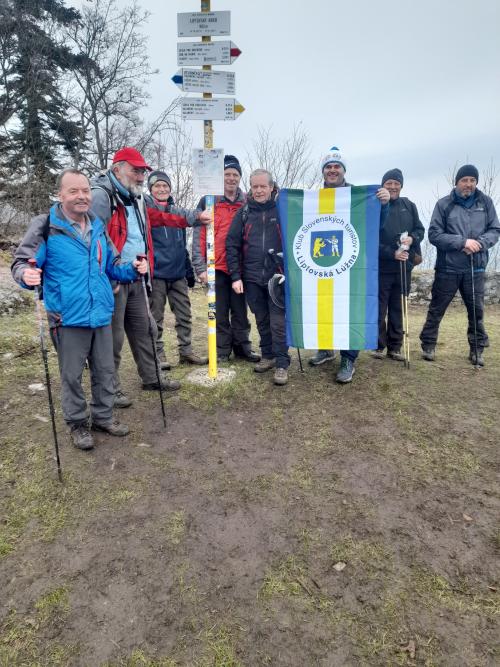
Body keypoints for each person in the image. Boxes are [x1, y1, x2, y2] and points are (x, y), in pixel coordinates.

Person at [11, 169, 148, 450]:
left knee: (105, 369)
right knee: (72, 375)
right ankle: (77, 423)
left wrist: (133, 269)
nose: (81, 196)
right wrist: (26, 274)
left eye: (85, 190)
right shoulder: (46, 225)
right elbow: (22, 262)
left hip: (100, 313)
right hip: (67, 316)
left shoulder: (97, 225)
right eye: (73, 191)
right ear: (60, 195)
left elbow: (113, 265)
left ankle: (103, 416)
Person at [90, 147, 181, 409]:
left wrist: (194, 218)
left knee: (146, 329)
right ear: (117, 168)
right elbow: (95, 241)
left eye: (142, 171)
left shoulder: (136, 197)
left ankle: (152, 377)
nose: (141, 176)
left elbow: (159, 220)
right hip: (113, 280)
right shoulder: (101, 196)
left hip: (137, 276)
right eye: (135, 170)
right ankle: (110, 389)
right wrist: (112, 274)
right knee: (112, 337)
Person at [308, 148, 390, 382]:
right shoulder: (314, 198)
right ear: (323, 171)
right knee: (323, 306)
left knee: (350, 311)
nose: (333, 170)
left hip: (353, 264)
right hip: (323, 263)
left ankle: (348, 358)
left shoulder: (358, 196)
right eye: (328, 167)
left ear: (343, 170)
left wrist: (383, 205)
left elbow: (377, 225)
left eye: (337, 167)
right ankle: (325, 349)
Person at [420, 164, 500, 366]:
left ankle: (477, 350)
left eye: (472, 180)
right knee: (437, 309)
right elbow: (434, 234)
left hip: (476, 267)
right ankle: (428, 345)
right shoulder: (443, 204)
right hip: (448, 267)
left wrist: (479, 243)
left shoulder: (486, 202)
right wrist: (462, 242)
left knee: (476, 311)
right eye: (464, 180)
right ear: (456, 182)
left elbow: (495, 230)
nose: (469, 184)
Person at [192, 155, 260, 363]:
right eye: (227, 174)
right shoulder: (209, 200)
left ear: (240, 178)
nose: (231, 178)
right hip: (216, 266)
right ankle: (222, 350)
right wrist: (200, 267)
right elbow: (199, 236)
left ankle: (243, 348)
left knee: (240, 312)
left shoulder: (247, 201)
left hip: (240, 268)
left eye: (235, 175)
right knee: (219, 311)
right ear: (221, 177)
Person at [226, 169, 290, 385]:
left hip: (277, 277)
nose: (259, 190)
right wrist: (236, 276)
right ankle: (268, 356)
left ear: (271, 187)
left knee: (278, 322)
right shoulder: (243, 213)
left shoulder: (284, 211)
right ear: (251, 188)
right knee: (261, 319)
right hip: (252, 277)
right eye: (255, 186)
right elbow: (232, 245)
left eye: (263, 186)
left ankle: (282, 363)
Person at [145, 170, 208, 369]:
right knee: (156, 317)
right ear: (151, 189)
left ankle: (186, 351)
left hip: (178, 274)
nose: (162, 189)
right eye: (157, 186)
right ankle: (159, 354)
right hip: (157, 275)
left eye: (165, 186)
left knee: (184, 314)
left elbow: (182, 243)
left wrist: (188, 270)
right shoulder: (146, 210)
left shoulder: (176, 210)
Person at [372, 168, 425, 361]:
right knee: (379, 308)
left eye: (396, 183)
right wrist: (390, 253)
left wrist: (412, 238)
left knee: (398, 307)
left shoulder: (409, 205)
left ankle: (395, 347)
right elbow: (370, 239)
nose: (393, 187)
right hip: (382, 267)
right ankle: (378, 345)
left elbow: (420, 229)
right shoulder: (375, 205)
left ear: (401, 186)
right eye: (389, 183)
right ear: (383, 185)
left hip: (404, 267)